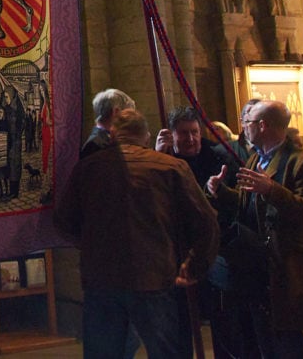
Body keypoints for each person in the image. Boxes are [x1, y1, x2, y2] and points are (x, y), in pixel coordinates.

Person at [56, 108, 219, 358]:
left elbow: (64, 220)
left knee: (104, 354)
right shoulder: (171, 167)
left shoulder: (88, 168)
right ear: (146, 136)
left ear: (112, 136)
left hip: (102, 278)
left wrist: (90, 245)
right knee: (165, 352)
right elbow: (206, 221)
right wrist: (195, 265)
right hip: (154, 276)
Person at [207, 100, 303, 357]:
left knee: (285, 339)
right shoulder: (256, 159)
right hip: (254, 263)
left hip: (283, 263)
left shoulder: (302, 163)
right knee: (260, 334)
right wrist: (221, 192)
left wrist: (272, 190)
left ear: (262, 126)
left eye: (248, 123)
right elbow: (247, 204)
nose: (244, 129)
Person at [154, 106, 240, 357]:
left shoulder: (218, 157)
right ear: (171, 135)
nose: (191, 139)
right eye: (183, 133)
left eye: (194, 132)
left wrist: (217, 193)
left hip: (215, 248)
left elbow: (233, 201)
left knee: (223, 319)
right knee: (181, 324)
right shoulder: (164, 160)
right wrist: (158, 156)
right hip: (177, 252)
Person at [81, 88, 135, 159]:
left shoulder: (104, 139)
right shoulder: (95, 145)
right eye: (128, 115)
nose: (130, 121)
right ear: (116, 112)